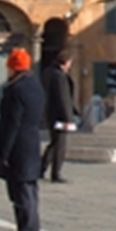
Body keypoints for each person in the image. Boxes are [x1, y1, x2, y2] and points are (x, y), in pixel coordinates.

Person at [0, 49, 46, 231]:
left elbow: (11, 124)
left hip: (18, 146)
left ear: (12, 68)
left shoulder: (14, 91)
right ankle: (31, 230)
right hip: (32, 142)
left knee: (20, 192)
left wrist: (3, 154)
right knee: (30, 190)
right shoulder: (35, 86)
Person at [40, 49, 76, 183]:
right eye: (70, 63)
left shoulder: (48, 73)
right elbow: (63, 98)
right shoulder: (59, 77)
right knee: (60, 145)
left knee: (54, 143)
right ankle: (56, 173)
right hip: (59, 115)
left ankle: (41, 169)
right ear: (66, 62)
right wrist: (68, 118)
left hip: (51, 113)